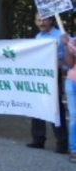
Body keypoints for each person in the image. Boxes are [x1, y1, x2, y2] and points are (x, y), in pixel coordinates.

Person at [26, 14, 68, 153]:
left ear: (51, 20)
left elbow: (70, 58)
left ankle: (62, 143)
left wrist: (62, 65)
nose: (41, 22)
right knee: (37, 104)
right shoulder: (38, 37)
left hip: (53, 75)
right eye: (38, 20)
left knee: (56, 107)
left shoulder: (61, 35)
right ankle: (38, 139)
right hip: (40, 75)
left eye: (44, 19)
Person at [62, 32, 76, 163]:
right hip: (72, 82)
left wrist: (70, 45)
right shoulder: (72, 41)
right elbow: (70, 64)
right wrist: (67, 47)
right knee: (74, 117)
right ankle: (74, 150)